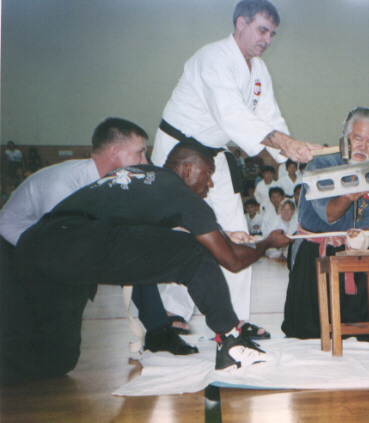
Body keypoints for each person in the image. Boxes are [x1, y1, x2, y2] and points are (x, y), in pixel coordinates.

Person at [10, 142, 292, 385]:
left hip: (34, 244)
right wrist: (267, 242)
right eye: (207, 173)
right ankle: (231, 342)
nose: (210, 183)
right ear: (187, 168)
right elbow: (231, 260)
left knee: (56, 360)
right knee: (195, 253)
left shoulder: (139, 174)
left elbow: (156, 232)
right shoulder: (182, 195)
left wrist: (224, 235)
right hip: (81, 243)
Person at [150, 0, 320, 331]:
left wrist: (294, 151)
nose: (267, 40)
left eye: (272, 34)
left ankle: (235, 320)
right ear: (241, 23)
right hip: (178, 154)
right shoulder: (213, 58)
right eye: (262, 30)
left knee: (237, 230)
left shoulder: (259, 71)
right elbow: (232, 115)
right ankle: (172, 312)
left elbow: (270, 117)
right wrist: (283, 143)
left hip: (214, 155)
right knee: (179, 230)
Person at [0, 119, 195, 386]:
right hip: (12, 257)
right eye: (139, 152)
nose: (146, 161)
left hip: (50, 256)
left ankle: (159, 331)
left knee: (61, 360)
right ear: (114, 152)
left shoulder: (114, 185)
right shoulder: (63, 186)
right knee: (32, 354)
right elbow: (62, 253)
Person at [281, 107, 369, 345]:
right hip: (317, 247)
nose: (363, 147)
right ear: (345, 136)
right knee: (307, 333)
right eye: (357, 138)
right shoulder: (320, 163)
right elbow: (330, 215)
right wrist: (349, 196)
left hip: (356, 245)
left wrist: (361, 239)